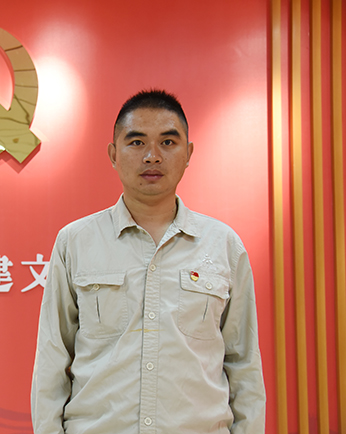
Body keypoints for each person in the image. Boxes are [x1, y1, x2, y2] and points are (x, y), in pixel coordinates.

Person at [31, 90, 265, 434]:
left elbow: (243, 363)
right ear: (114, 154)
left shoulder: (224, 245)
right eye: (136, 142)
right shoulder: (75, 242)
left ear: (188, 154)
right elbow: (52, 360)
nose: (152, 156)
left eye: (168, 142)